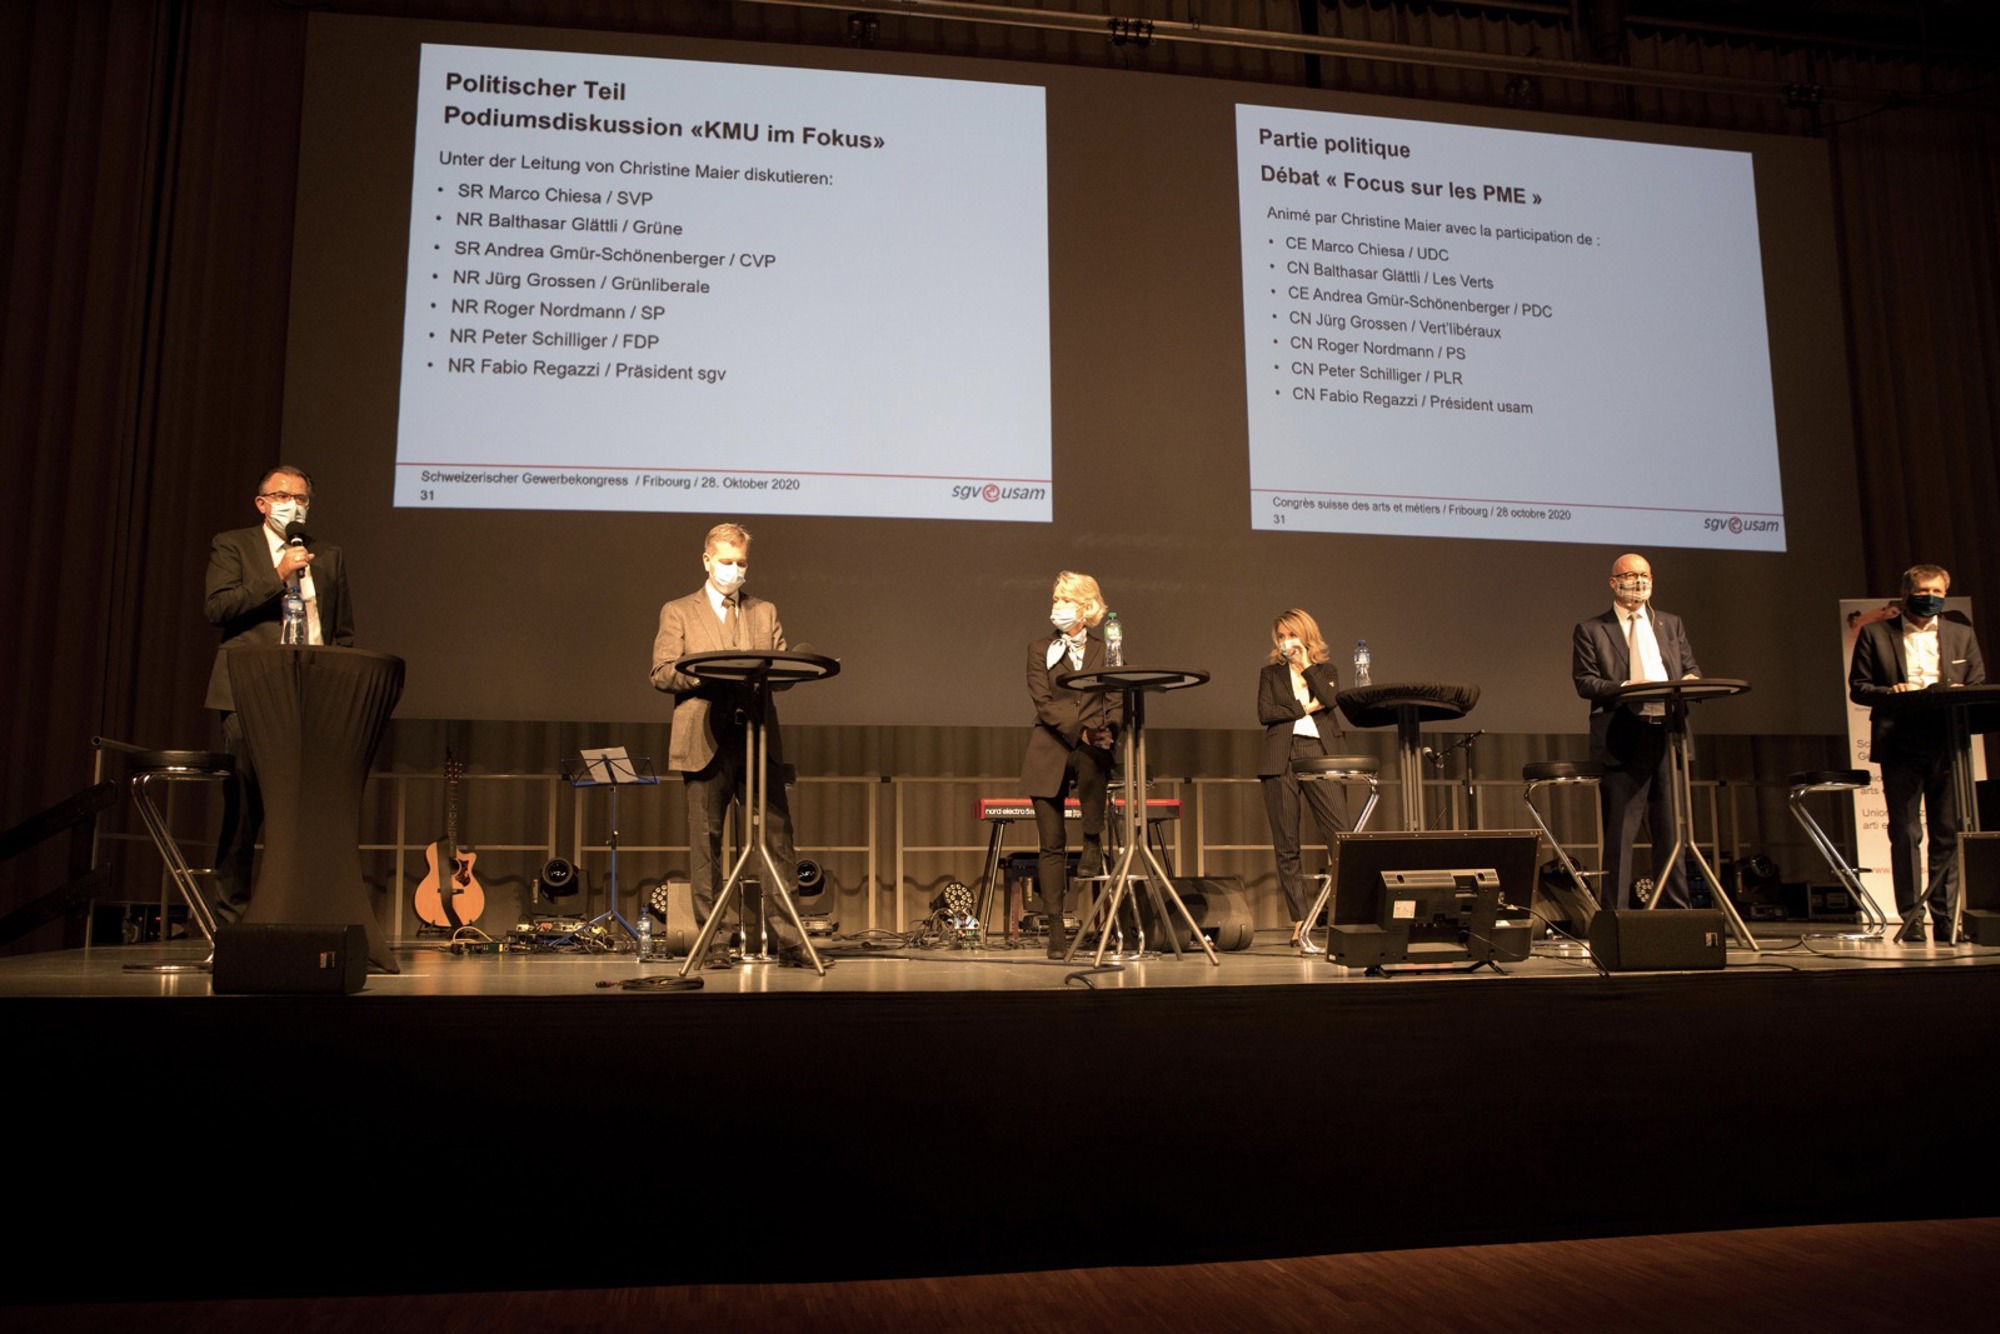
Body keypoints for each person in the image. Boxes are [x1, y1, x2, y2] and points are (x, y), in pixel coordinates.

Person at [650, 522, 824, 970]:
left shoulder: (763, 611)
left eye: (741, 562)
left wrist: (794, 667)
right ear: (707, 560)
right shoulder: (679, 611)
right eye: (726, 561)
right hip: (704, 739)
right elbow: (661, 672)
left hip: (758, 738)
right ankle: (714, 943)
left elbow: (778, 669)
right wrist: (701, 674)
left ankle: (790, 942)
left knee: (777, 840)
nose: (734, 570)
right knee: (706, 845)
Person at [203, 464, 355, 922]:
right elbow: (218, 607)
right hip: (249, 693)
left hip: (311, 694)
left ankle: (300, 916)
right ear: (262, 504)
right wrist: (278, 573)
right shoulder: (233, 545)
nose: (294, 505)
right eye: (283, 496)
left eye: (302, 498)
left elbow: (342, 632)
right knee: (245, 810)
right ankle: (231, 924)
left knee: (306, 813)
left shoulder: (328, 556)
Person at [1848, 563, 1988, 945]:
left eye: (1938, 592)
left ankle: (1946, 920)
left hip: (1949, 743)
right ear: (1906, 593)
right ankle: (1911, 917)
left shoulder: (1961, 634)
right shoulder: (1876, 634)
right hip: (1900, 742)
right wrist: (1891, 692)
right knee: (1905, 833)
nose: (1931, 598)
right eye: (1923, 591)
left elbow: (1977, 683)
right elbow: (1859, 687)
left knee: (1948, 833)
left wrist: (1959, 694)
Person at [1571, 553, 1701, 910]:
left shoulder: (1670, 624)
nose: (1639, 581)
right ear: (1614, 583)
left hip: (1668, 735)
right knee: (1620, 833)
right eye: (1630, 575)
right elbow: (1585, 682)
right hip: (1624, 738)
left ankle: (1676, 912)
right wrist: (1626, 686)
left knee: (1671, 831)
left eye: (1645, 575)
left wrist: (1691, 680)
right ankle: (1617, 915)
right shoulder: (1592, 629)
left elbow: (1690, 668)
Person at [1022, 571, 1117, 958]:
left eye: (1064, 600)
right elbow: (1043, 703)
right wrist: (1081, 731)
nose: (1056, 606)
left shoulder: (1105, 649)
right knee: (1051, 844)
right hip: (1049, 746)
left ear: (1085, 606)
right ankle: (1056, 927)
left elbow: (1115, 696)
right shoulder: (1039, 649)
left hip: (1091, 746)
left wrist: (1108, 730)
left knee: (1093, 759)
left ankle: (1092, 838)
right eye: (1055, 599)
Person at [1256, 610, 1352, 954]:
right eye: (1281, 637)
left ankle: (1346, 914)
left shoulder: (1326, 671)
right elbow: (1266, 713)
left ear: (1306, 634)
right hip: (1280, 755)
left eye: (1291, 635)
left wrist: (1304, 666)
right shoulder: (1270, 673)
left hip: (1320, 751)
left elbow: (1331, 700)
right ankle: (1300, 919)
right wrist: (1305, 708)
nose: (1286, 642)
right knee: (1287, 843)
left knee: (1340, 836)